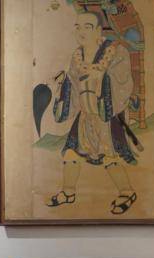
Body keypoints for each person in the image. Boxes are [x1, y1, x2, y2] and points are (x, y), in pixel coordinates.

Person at [49, 11, 139, 214]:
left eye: (87, 27)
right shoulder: (77, 57)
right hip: (84, 116)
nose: (81, 31)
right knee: (71, 153)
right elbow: (72, 87)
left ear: (99, 30)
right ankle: (68, 192)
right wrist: (61, 87)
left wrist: (102, 75)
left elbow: (123, 81)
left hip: (105, 114)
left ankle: (127, 192)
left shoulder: (115, 52)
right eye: (77, 27)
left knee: (110, 157)